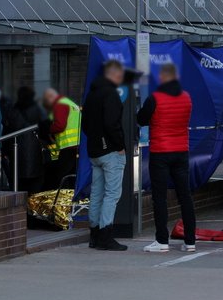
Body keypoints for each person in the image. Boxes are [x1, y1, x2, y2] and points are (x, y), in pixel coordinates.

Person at [137, 63, 197, 253]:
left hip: (161, 152)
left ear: (163, 78)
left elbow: (141, 120)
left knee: (160, 198)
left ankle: (162, 241)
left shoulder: (155, 98)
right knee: (185, 197)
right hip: (181, 152)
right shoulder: (187, 97)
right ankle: (190, 241)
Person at [81, 60, 128, 252]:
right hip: (110, 151)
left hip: (94, 151)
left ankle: (94, 235)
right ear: (115, 74)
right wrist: (119, 146)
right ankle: (106, 235)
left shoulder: (92, 94)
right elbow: (112, 123)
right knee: (112, 194)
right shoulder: (110, 94)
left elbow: (85, 125)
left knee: (97, 194)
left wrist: (96, 140)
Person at [8, 86, 46, 194]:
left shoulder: (13, 110)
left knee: (18, 180)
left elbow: (7, 130)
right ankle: (32, 205)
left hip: (16, 150)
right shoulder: (37, 109)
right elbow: (44, 126)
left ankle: (20, 206)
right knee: (35, 181)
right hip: (34, 151)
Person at [42, 88, 82, 189]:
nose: (47, 105)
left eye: (46, 101)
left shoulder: (60, 104)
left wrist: (48, 129)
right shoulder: (69, 103)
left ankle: (63, 200)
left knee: (62, 176)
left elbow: (60, 125)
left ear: (51, 97)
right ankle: (73, 200)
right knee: (72, 176)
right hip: (77, 145)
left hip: (69, 146)